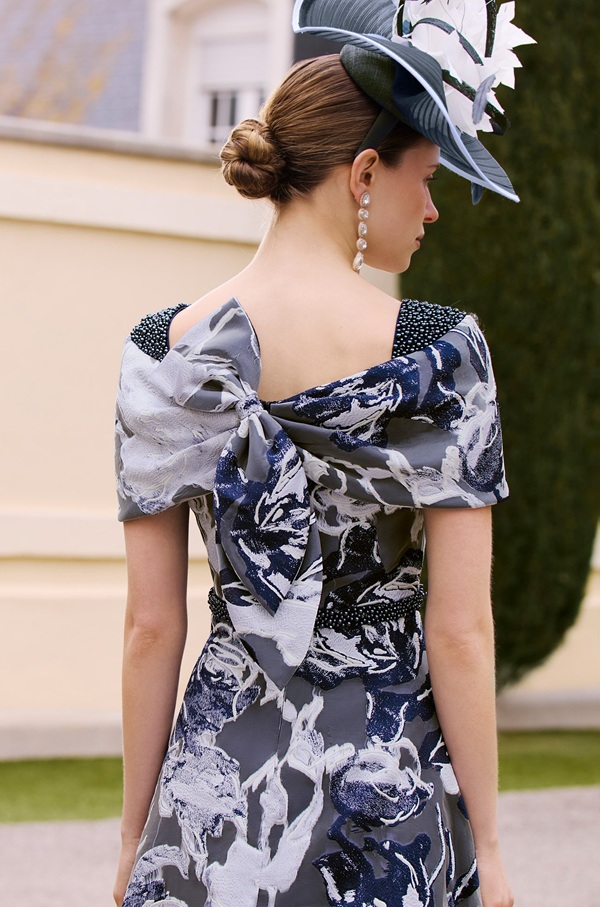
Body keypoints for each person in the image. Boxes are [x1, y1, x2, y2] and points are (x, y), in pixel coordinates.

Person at [113, 2, 533, 904]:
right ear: (366, 172)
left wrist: (134, 837)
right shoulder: (439, 353)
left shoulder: (160, 353)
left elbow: (152, 625)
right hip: (386, 792)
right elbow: (460, 631)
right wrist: (491, 849)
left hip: (217, 808)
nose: (432, 209)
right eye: (426, 179)